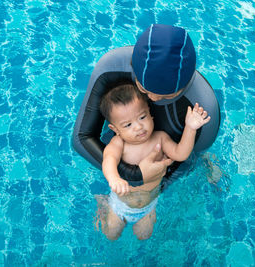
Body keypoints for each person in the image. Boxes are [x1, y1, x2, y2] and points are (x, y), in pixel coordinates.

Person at [73, 24, 220, 190]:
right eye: (143, 89)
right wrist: (135, 175)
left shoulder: (204, 107)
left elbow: (185, 159)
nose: (153, 99)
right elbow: (82, 137)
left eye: (167, 96)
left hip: (166, 155)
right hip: (122, 149)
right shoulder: (111, 67)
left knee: (198, 160)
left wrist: (153, 188)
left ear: (185, 87)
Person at [98, 83, 210, 240]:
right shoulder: (119, 143)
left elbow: (180, 154)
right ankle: (103, 203)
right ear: (115, 129)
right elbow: (108, 159)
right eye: (128, 125)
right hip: (120, 204)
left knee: (144, 236)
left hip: (149, 205)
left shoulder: (160, 138)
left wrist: (190, 128)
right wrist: (114, 178)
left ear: (150, 113)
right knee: (111, 234)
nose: (138, 127)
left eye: (142, 117)